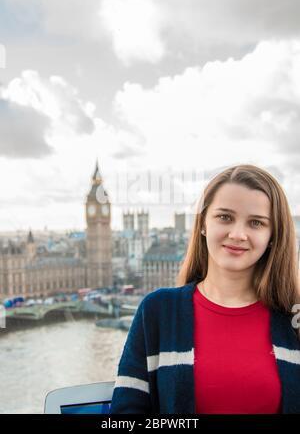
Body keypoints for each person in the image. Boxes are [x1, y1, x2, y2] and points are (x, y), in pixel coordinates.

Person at [109, 164, 300, 414]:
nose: (238, 234)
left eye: (256, 223)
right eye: (225, 217)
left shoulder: (293, 319)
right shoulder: (158, 312)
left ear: (272, 235)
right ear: (202, 224)